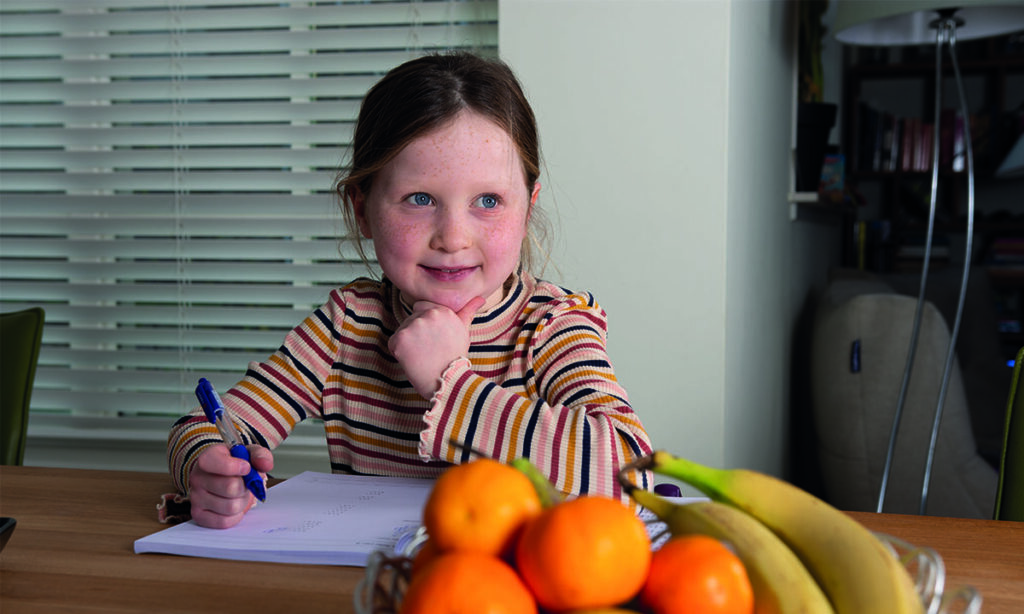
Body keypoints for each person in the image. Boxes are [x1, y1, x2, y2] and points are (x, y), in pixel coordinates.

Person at [167, 51, 653, 529]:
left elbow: (633, 476)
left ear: (527, 209)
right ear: (362, 209)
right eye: (419, 199)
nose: (453, 237)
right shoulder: (348, 325)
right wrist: (206, 468)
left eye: (488, 200)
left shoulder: (552, 325)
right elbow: (205, 426)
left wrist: (451, 383)